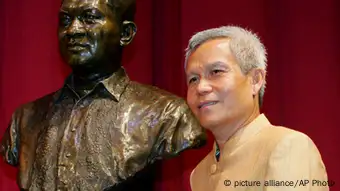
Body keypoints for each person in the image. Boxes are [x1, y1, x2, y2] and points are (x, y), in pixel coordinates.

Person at [0, 0, 206, 190]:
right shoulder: (25, 119)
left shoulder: (167, 114)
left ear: (125, 33)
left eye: (89, 18)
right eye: (65, 20)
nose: (73, 30)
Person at [184, 26, 328, 191]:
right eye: (193, 79)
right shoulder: (199, 173)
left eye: (216, 71)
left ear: (255, 80)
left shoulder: (287, 146)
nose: (201, 87)